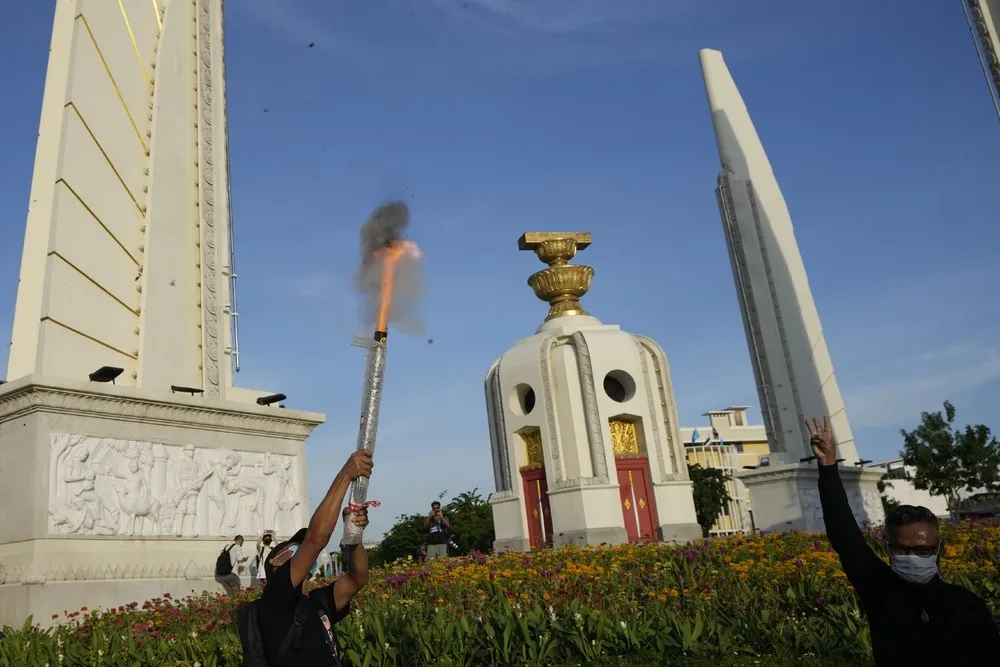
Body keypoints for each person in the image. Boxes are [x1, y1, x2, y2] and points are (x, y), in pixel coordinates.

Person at [809, 416, 1000, 665]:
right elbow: (844, 535)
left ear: (940, 549)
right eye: (902, 549)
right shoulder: (879, 589)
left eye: (922, 550)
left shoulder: (967, 604)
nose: (911, 557)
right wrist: (828, 467)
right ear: (888, 548)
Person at [259, 449, 373, 665]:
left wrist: (354, 535)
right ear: (275, 562)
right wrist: (344, 477)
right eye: (295, 549)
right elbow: (315, 540)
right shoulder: (275, 600)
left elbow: (358, 578)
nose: (302, 552)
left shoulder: (317, 603)